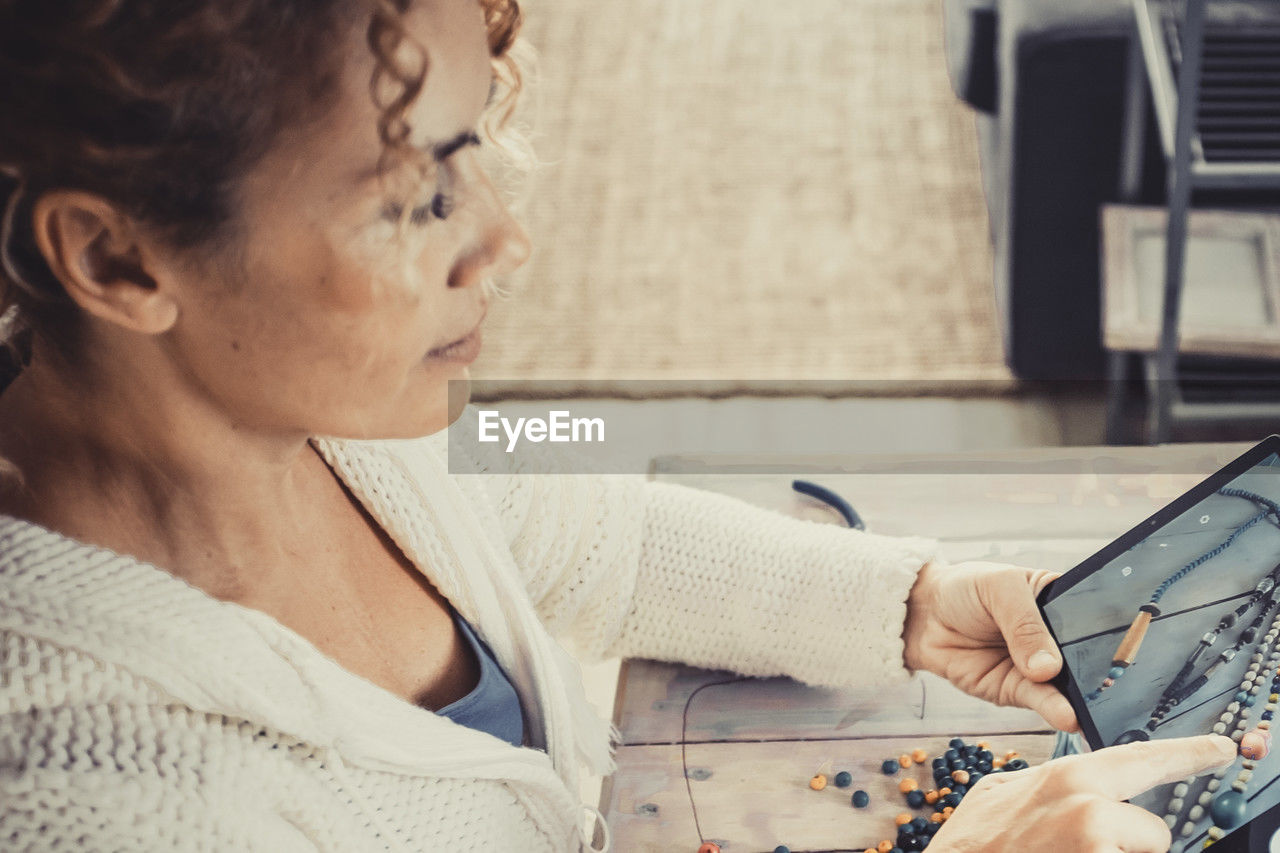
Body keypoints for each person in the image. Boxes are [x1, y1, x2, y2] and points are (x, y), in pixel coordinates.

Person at [0, 1, 1241, 850]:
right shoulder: (102, 798)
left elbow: (579, 515)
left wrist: (907, 598)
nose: (503, 238)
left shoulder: (354, 409)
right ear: (116, 257)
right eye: (412, 196)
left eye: (473, 143)